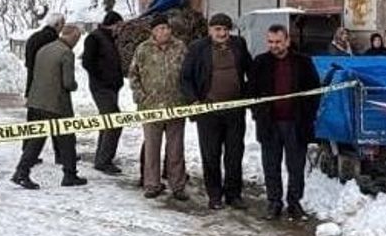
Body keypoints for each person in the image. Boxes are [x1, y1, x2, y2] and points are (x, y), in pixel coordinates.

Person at [250, 24, 321, 220]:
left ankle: (294, 202)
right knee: (271, 165)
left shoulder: (303, 62)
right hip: (270, 124)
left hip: (296, 125)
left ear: (287, 41)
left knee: (296, 166)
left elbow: (315, 91)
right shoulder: (260, 62)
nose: (274, 46)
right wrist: (258, 113)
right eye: (271, 42)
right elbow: (251, 93)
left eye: (278, 42)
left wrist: (308, 114)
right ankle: (274, 202)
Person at [180, 13, 250, 210]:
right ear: (210, 30)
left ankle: (234, 194)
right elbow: (185, 77)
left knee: (235, 154)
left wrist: (251, 94)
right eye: (218, 29)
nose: (222, 33)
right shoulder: (197, 48)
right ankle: (215, 195)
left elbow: (249, 69)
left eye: (226, 29)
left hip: (234, 110)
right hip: (208, 111)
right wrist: (193, 100)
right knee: (211, 154)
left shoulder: (239, 44)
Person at [12, 25, 88, 189]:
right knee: (67, 139)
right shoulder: (66, 53)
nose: (76, 43)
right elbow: (67, 82)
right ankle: (69, 174)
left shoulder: (44, 49)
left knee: (36, 139)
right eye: (76, 39)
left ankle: (22, 171)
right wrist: (75, 85)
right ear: (72, 37)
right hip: (56, 103)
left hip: (37, 100)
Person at [128, 15, 188, 200]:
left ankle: (177, 185)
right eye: (161, 28)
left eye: (167, 28)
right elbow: (133, 75)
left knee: (175, 149)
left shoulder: (180, 47)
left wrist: (187, 96)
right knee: (152, 149)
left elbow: (189, 72)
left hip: (175, 106)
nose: (165, 31)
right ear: (153, 31)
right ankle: (152, 184)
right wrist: (140, 96)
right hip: (150, 107)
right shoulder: (143, 49)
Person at [81, 11, 124, 175]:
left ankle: (102, 157)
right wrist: (102, 77)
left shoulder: (109, 39)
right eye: (119, 25)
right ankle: (104, 161)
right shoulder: (95, 38)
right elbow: (87, 62)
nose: (120, 29)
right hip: (102, 88)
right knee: (114, 122)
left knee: (108, 122)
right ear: (114, 24)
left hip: (111, 88)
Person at [23, 12, 65, 96]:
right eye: (62, 25)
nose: (62, 28)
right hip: (45, 82)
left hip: (32, 79)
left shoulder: (34, 36)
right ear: (56, 25)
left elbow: (28, 60)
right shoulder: (52, 39)